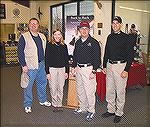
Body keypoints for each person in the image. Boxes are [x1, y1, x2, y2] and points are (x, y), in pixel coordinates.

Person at [101, 16, 134, 123]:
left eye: (117, 23)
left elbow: (130, 55)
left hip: (121, 67)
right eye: (113, 23)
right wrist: (104, 66)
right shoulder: (109, 37)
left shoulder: (127, 38)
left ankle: (119, 112)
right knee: (109, 90)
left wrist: (126, 70)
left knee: (120, 91)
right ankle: (110, 110)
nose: (115, 25)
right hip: (109, 65)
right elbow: (106, 52)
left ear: (121, 24)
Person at [17, 18, 51, 113]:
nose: (33, 25)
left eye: (35, 24)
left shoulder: (42, 36)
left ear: (38, 25)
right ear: (29, 25)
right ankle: (27, 104)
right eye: (32, 23)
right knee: (28, 85)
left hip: (41, 64)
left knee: (42, 83)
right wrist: (23, 65)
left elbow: (45, 50)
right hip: (30, 66)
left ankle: (43, 100)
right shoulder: (24, 36)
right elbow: (20, 52)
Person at [71, 21, 101, 121]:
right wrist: (73, 66)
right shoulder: (78, 42)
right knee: (80, 90)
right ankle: (82, 107)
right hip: (79, 69)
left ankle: (91, 110)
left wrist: (94, 71)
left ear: (89, 30)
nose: (84, 30)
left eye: (86, 28)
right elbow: (75, 56)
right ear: (79, 30)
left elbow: (97, 58)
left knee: (89, 91)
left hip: (89, 69)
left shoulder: (94, 42)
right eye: (82, 29)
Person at [45, 29, 69, 112]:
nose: (57, 36)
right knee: (53, 87)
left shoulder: (64, 46)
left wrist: (67, 72)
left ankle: (60, 104)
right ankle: (55, 104)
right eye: (55, 34)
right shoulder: (49, 45)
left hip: (62, 69)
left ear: (61, 36)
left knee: (60, 87)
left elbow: (66, 60)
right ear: (53, 36)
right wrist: (47, 72)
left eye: (59, 34)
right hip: (52, 69)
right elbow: (47, 59)